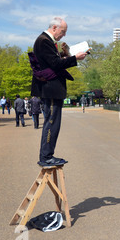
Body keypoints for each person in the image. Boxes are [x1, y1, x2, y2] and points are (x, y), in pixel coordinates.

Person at [31, 17, 87, 167]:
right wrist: (74, 58)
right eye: (63, 31)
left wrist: (65, 55)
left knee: (53, 123)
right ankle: (46, 156)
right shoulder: (44, 41)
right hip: (50, 90)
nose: (64, 35)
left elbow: (51, 62)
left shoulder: (46, 41)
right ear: (54, 28)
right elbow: (54, 65)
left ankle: (47, 155)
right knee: (51, 123)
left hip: (51, 90)